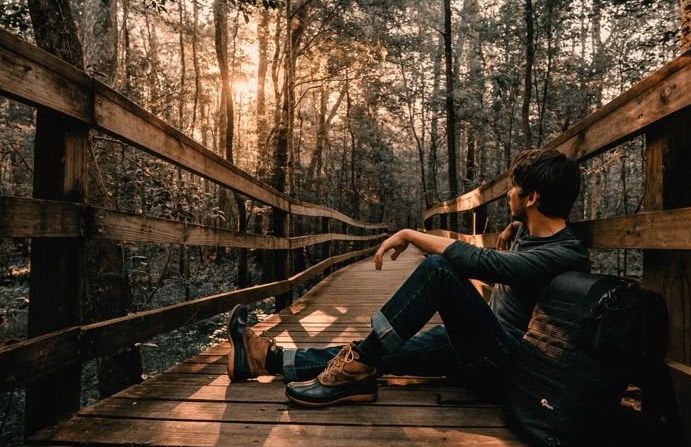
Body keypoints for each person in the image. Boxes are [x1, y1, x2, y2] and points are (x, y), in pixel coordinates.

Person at [226, 147, 589, 407]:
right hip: (476, 343)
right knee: (382, 352)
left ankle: (352, 370)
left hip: (507, 368)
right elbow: (512, 258)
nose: (508, 193)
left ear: (532, 197)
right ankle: (265, 361)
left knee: (437, 270)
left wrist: (412, 235)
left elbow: (484, 263)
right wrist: (513, 230)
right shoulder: (530, 231)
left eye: (515, 188)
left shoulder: (565, 254)